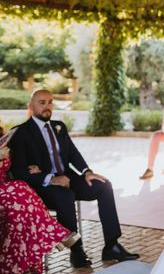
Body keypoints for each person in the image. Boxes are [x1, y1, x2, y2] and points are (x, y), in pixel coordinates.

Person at [9, 90, 139, 268]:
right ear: (31, 106)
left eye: (50, 102)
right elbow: (18, 170)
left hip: (67, 179)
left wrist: (86, 171)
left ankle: (112, 245)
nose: (47, 106)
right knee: (65, 196)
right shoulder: (20, 133)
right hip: (43, 186)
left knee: (103, 185)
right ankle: (76, 250)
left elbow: (72, 153)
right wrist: (49, 178)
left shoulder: (59, 126)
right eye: (42, 102)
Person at [1, 125, 80, 274]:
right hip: (5, 191)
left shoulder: (3, 138)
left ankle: (22, 265)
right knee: (18, 190)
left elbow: (14, 170)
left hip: (5, 189)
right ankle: (57, 233)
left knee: (21, 204)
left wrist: (31, 168)